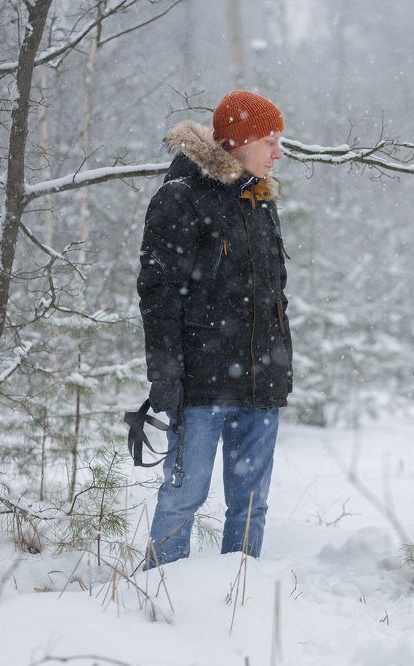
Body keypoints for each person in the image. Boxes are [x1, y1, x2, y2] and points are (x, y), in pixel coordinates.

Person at [137, 90, 292, 569]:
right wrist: (166, 377)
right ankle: (158, 597)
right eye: (269, 140)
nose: (277, 152)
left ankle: (237, 602)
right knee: (184, 497)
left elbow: (273, 300)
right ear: (238, 142)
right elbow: (158, 297)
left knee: (251, 506)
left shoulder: (260, 203)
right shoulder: (180, 199)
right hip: (201, 386)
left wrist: (278, 371)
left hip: (260, 386)